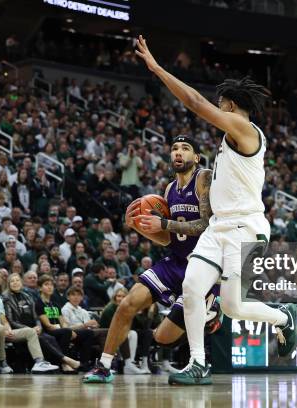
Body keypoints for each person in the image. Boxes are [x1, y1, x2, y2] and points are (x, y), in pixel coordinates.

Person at [133, 35, 296, 385]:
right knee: (192, 288)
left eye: (220, 105)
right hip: (217, 228)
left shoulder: (245, 130)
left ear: (231, 106)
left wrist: (158, 69)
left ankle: (284, 318)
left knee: (234, 307)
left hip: (245, 229)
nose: (216, 110)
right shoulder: (228, 139)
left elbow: (193, 101)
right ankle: (198, 362)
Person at [84, 136, 220, 383]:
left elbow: (206, 224)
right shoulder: (169, 190)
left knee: (162, 337)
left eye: (185, 149)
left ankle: (207, 328)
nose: (178, 152)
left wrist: (163, 223)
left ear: (196, 158)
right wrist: (139, 227)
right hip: (177, 261)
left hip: (204, 267)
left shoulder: (204, 178)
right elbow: (170, 238)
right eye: (175, 149)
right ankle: (104, 367)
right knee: (127, 304)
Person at [0, 269, 58, 374]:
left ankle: (39, 362)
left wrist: (8, 329)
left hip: (2, 330)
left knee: (30, 331)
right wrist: (1, 329)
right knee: (0, 328)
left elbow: (3, 318)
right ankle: (2, 363)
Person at [3, 273, 81, 373]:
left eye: (17, 280)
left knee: (50, 338)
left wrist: (38, 326)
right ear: (8, 284)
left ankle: (58, 364)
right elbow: (11, 320)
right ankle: (64, 361)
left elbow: (36, 316)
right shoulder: (6, 298)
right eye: (12, 281)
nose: (15, 283)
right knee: (44, 339)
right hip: (19, 329)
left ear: (21, 282)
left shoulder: (28, 296)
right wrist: (30, 329)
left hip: (34, 328)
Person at [36, 275, 97, 369]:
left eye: (51, 285)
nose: (49, 287)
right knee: (66, 332)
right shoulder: (39, 303)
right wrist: (66, 329)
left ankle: (84, 364)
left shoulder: (55, 304)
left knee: (88, 333)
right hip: (47, 332)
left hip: (60, 330)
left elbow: (63, 322)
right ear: (40, 288)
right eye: (46, 284)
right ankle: (64, 363)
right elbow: (48, 325)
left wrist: (67, 328)